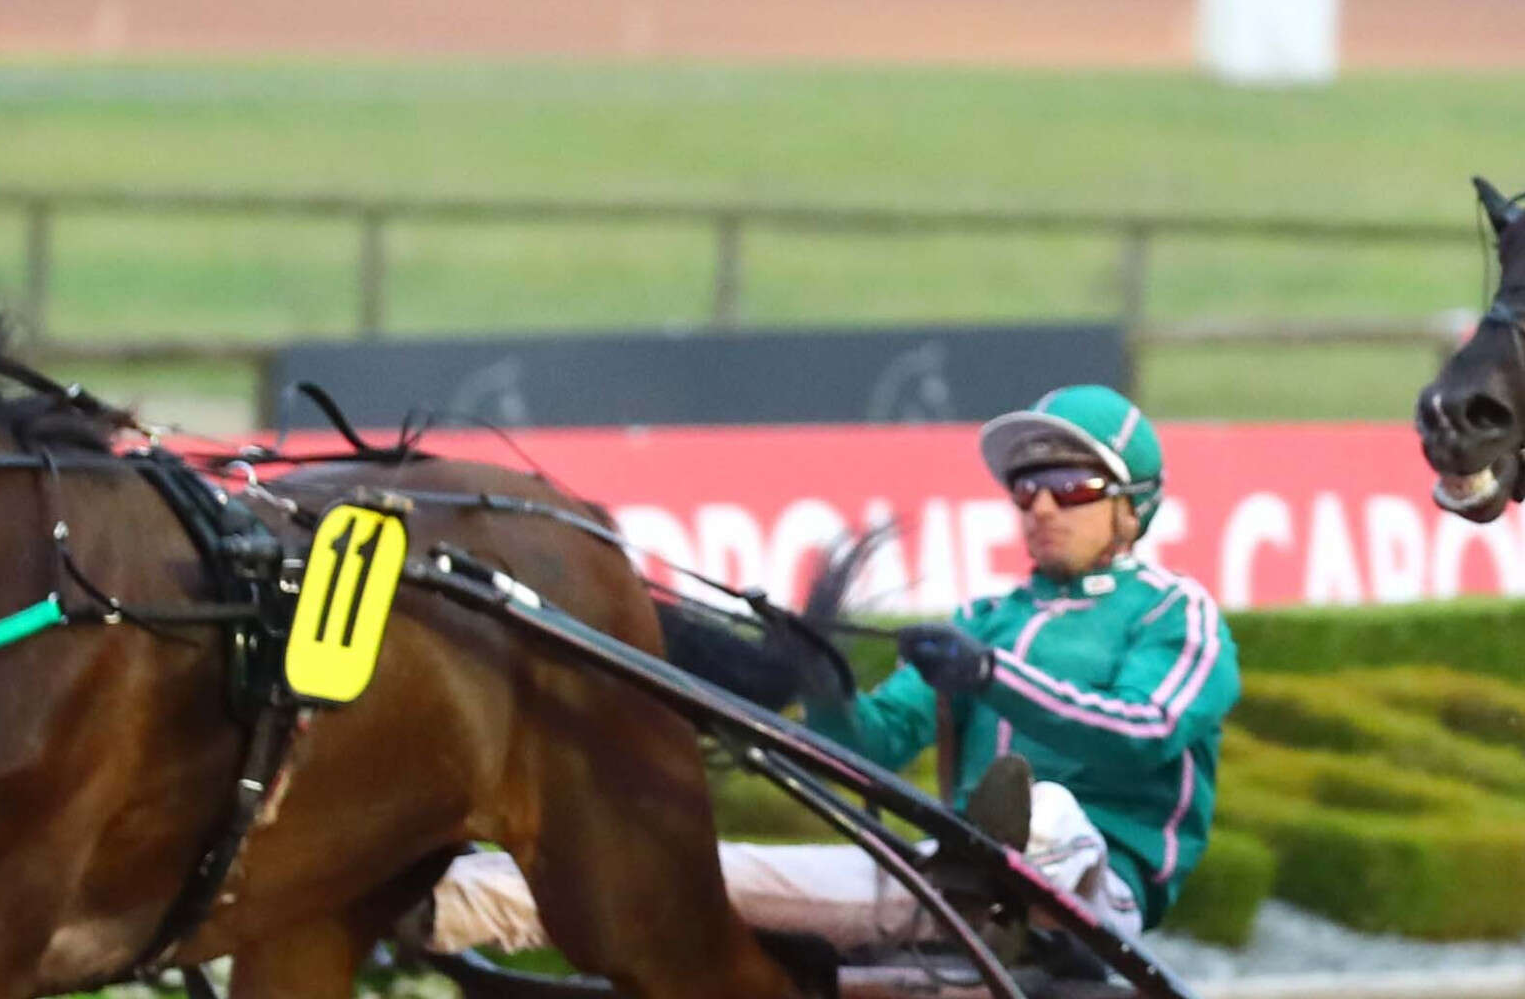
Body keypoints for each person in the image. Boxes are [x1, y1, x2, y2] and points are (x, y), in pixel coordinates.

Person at [427, 383, 1237, 956]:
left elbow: (1146, 732)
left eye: (1073, 484)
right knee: (702, 868)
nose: (1043, 506)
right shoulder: (986, 620)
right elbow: (876, 749)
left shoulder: (1176, 614)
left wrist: (989, 678)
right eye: (1027, 488)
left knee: (1052, 809)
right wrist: (824, 686)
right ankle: (433, 908)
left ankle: (1004, 873)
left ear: (1132, 506)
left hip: (1102, 899)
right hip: (946, 893)